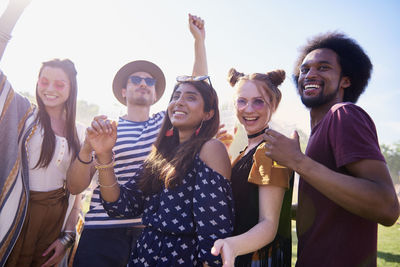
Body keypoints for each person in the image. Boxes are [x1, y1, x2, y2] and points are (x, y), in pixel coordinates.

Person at [67, 14, 210, 267]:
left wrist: (199, 42)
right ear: (124, 91)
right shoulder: (106, 129)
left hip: (150, 233)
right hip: (102, 232)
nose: (143, 83)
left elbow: (196, 91)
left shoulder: (164, 127)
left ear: (156, 93)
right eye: (136, 79)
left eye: (149, 81)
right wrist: (88, 147)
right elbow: (75, 187)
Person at [263, 32, 400, 266]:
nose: (310, 74)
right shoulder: (321, 131)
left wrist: (297, 161)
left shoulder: (343, 114)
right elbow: (329, 207)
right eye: (304, 70)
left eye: (323, 67)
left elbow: (387, 207)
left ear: (345, 80)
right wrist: (276, 205)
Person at [88, 75, 234, 266]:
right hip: (145, 254)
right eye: (176, 96)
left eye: (190, 97)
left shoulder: (211, 148)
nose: (179, 102)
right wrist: (105, 154)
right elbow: (121, 206)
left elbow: (214, 230)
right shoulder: (161, 155)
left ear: (208, 113)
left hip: (182, 258)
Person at [0, 1, 83, 267]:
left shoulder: (80, 132)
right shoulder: (25, 112)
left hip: (54, 221)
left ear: (71, 88)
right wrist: (13, 14)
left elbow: (76, 195)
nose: (50, 89)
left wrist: (67, 237)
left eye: (59, 84)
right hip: (17, 211)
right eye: (44, 81)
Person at [212, 69, 293, 267]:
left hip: (256, 258)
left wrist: (232, 245)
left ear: (273, 105)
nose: (248, 109)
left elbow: (268, 224)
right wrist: (221, 151)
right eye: (242, 101)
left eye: (258, 101)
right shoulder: (245, 152)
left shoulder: (270, 151)